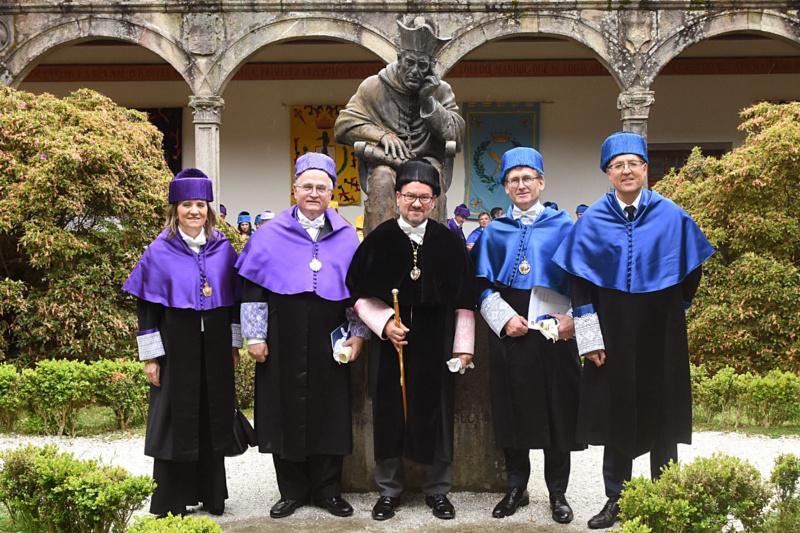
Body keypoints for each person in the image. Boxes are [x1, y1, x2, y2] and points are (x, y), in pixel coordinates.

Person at [552, 132, 714, 529]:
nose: (626, 171)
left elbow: (692, 271)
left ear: (645, 169)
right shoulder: (591, 221)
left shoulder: (672, 216)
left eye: (633, 164)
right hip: (612, 333)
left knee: (664, 412)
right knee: (616, 413)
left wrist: (677, 310)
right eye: (617, 165)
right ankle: (616, 499)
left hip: (662, 331)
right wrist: (589, 339)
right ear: (608, 173)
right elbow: (580, 286)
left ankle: (667, 495)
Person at [235, 153, 369, 520]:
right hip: (282, 336)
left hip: (331, 339)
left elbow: (356, 296)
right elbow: (252, 291)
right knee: (283, 409)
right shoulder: (269, 234)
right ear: (294, 190)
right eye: (307, 187)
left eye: (321, 187)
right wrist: (254, 337)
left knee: (330, 411)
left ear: (331, 192)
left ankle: (328, 490)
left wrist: (357, 336)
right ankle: (291, 490)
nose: (314, 193)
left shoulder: (346, 236)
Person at [346, 159, 475, 522]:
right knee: (389, 414)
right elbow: (356, 293)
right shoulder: (379, 241)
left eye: (424, 197)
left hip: (436, 342)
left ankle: (438, 490)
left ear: (434, 200)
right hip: (392, 346)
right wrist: (385, 323)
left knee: (438, 415)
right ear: (398, 198)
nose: (416, 204)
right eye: (409, 196)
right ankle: (388, 491)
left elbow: (466, 300)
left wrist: (463, 348)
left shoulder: (449, 243)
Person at [472, 147, 583, 524]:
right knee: (512, 408)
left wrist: (570, 320)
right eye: (513, 179)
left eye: (527, 178)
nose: (521, 185)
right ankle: (516, 487)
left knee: (557, 411)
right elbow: (482, 286)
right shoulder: (494, 232)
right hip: (513, 328)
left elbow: (581, 283)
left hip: (554, 329)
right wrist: (503, 319)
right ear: (505, 187)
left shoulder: (566, 226)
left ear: (541, 182)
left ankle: (558, 492)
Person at [122, 168, 241, 518]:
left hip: (216, 348)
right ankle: (172, 499)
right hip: (176, 347)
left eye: (201, 205)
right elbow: (147, 309)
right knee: (175, 418)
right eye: (187, 204)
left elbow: (233, 303)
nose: (194, 211)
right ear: (175, 209)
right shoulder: (159, 251)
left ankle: (212, 493)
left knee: (213, 415)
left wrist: (233, 346)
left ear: (209, 210)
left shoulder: (223, 248)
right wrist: (151, 358)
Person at [334, 16, 464, 231]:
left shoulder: (441, 90)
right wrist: (381, 135)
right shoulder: (373, 86)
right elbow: (343, 126)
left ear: (430, 68)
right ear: (399, 58)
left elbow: (455, 135)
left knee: (431, 179)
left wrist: (428, 100)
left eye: (422, 65)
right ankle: (380, 251)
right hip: (386, 161)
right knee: (382, 179)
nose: (415, 71)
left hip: (426, 162)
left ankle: (432, 249)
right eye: (409, 63)